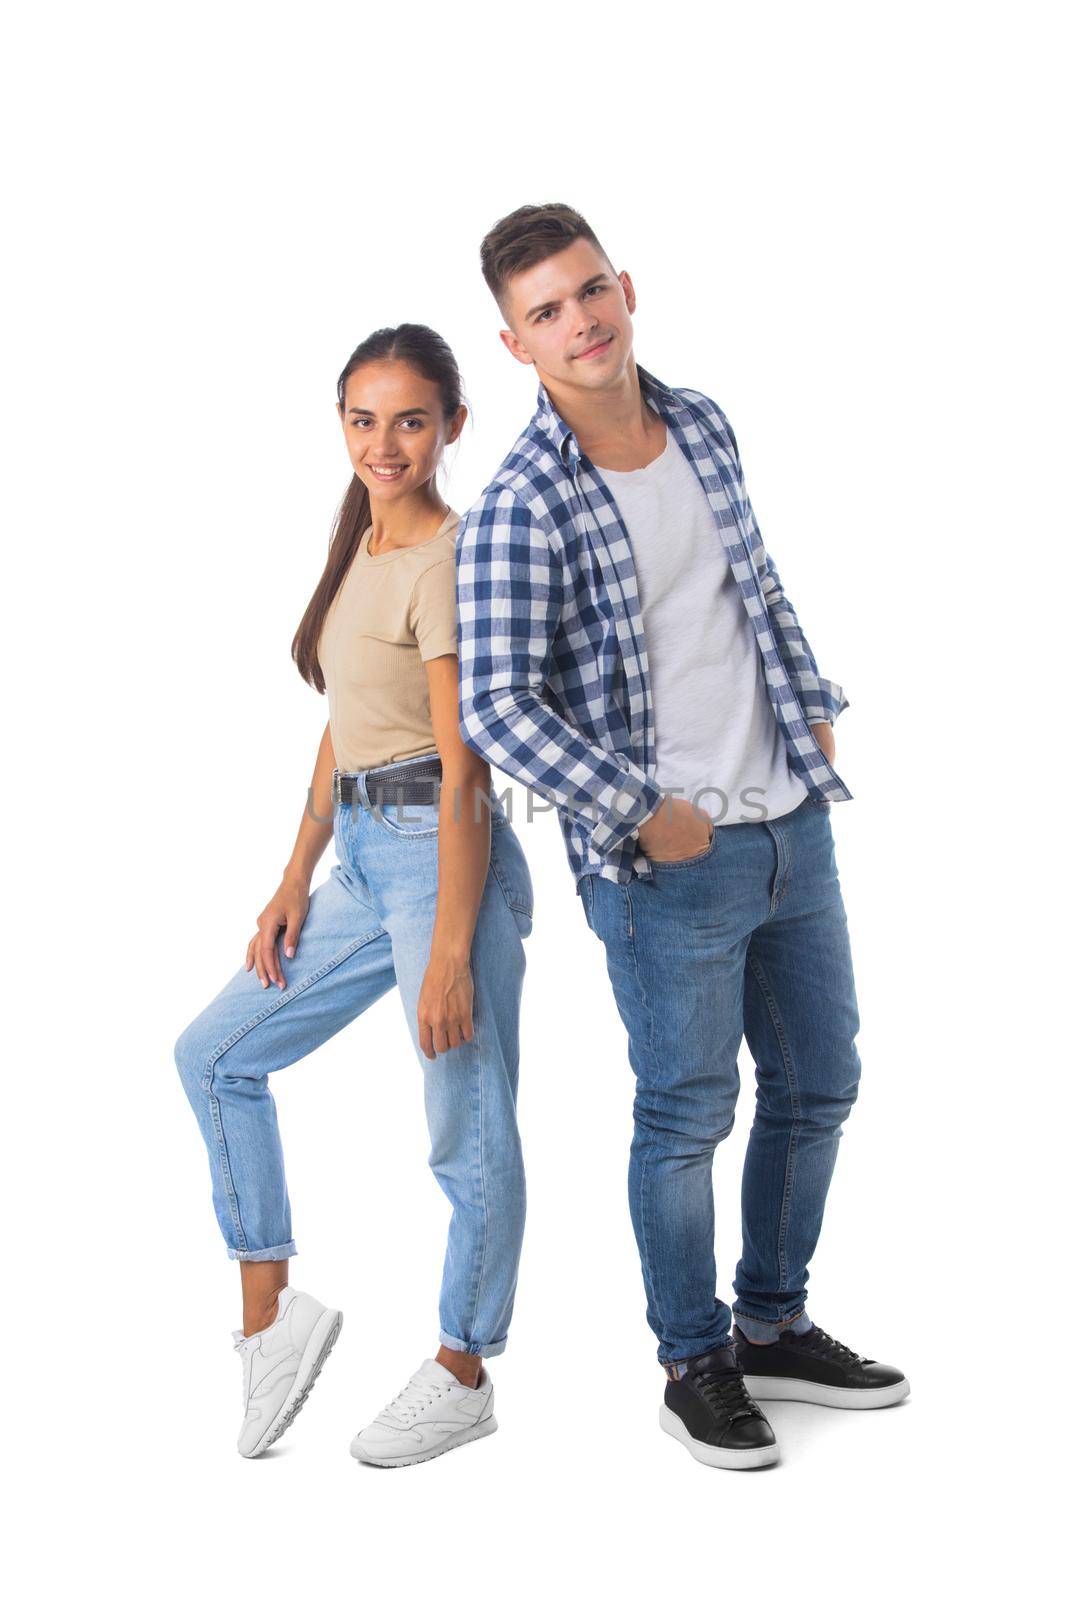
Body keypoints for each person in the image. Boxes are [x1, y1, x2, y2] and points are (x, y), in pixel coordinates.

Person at [456, 204, 908, 1472]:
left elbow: (754, 584)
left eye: (589, 290)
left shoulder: (700, 421)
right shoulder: (522, 502)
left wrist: (812, 712)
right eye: (545, 310)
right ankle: (691, 1359)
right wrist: (630, 804)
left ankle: (772, 1320)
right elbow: (494, 700)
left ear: (625, 286)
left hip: (790, 823)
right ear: (512, 341)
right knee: (684, 1113)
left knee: (821, 1083)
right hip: (665, 867)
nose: (579, 322)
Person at [175, 323, 533, 1467]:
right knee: (215, 1054)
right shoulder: (362, 550)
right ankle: (272, 1319)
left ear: (451, 428)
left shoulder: (449, 559)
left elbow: (462, 761)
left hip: (445, 858)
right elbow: (343, 735)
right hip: (365, 861)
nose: (384, 442)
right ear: (341, 423)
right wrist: (290, 877)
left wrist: (451, 949)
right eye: (363, 418)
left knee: (465, 1134)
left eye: (410, 420)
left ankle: (463, 1368)